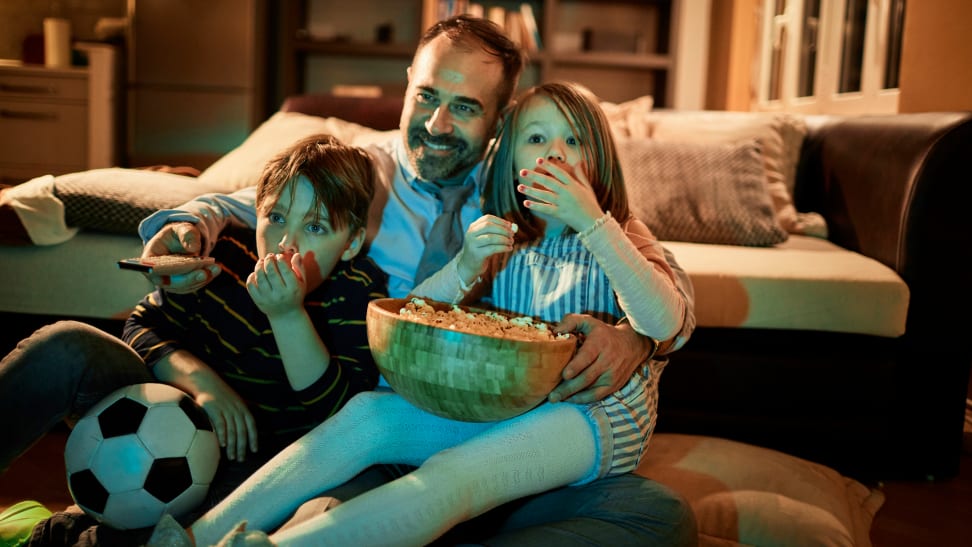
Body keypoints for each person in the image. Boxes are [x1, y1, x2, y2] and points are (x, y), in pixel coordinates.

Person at [138, 15, 698, 546]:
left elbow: (669, 311)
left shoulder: (560, 211)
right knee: (367, 435)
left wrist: (635, 337)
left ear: (497, 124)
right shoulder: (368, 174)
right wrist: (187, 222)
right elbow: (252, 205)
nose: (437, 124)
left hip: (544, 417)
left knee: (653, 514)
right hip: (384, 402)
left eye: (464, 106)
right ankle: (195, 539)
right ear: (407, 85)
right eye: (427, 95)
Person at [0, 134, 387, 545]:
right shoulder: (225, 258)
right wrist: (204, 385)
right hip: (164, 412)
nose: (286, 242)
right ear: (256, 212)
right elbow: (141, 327)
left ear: (351, 243)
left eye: (315, 227)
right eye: (275, 218)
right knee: (68, 343)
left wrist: (287, 315)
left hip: (252, 464)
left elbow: (338, 419)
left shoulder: (360, 295)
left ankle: (52, 534)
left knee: (201, 527)